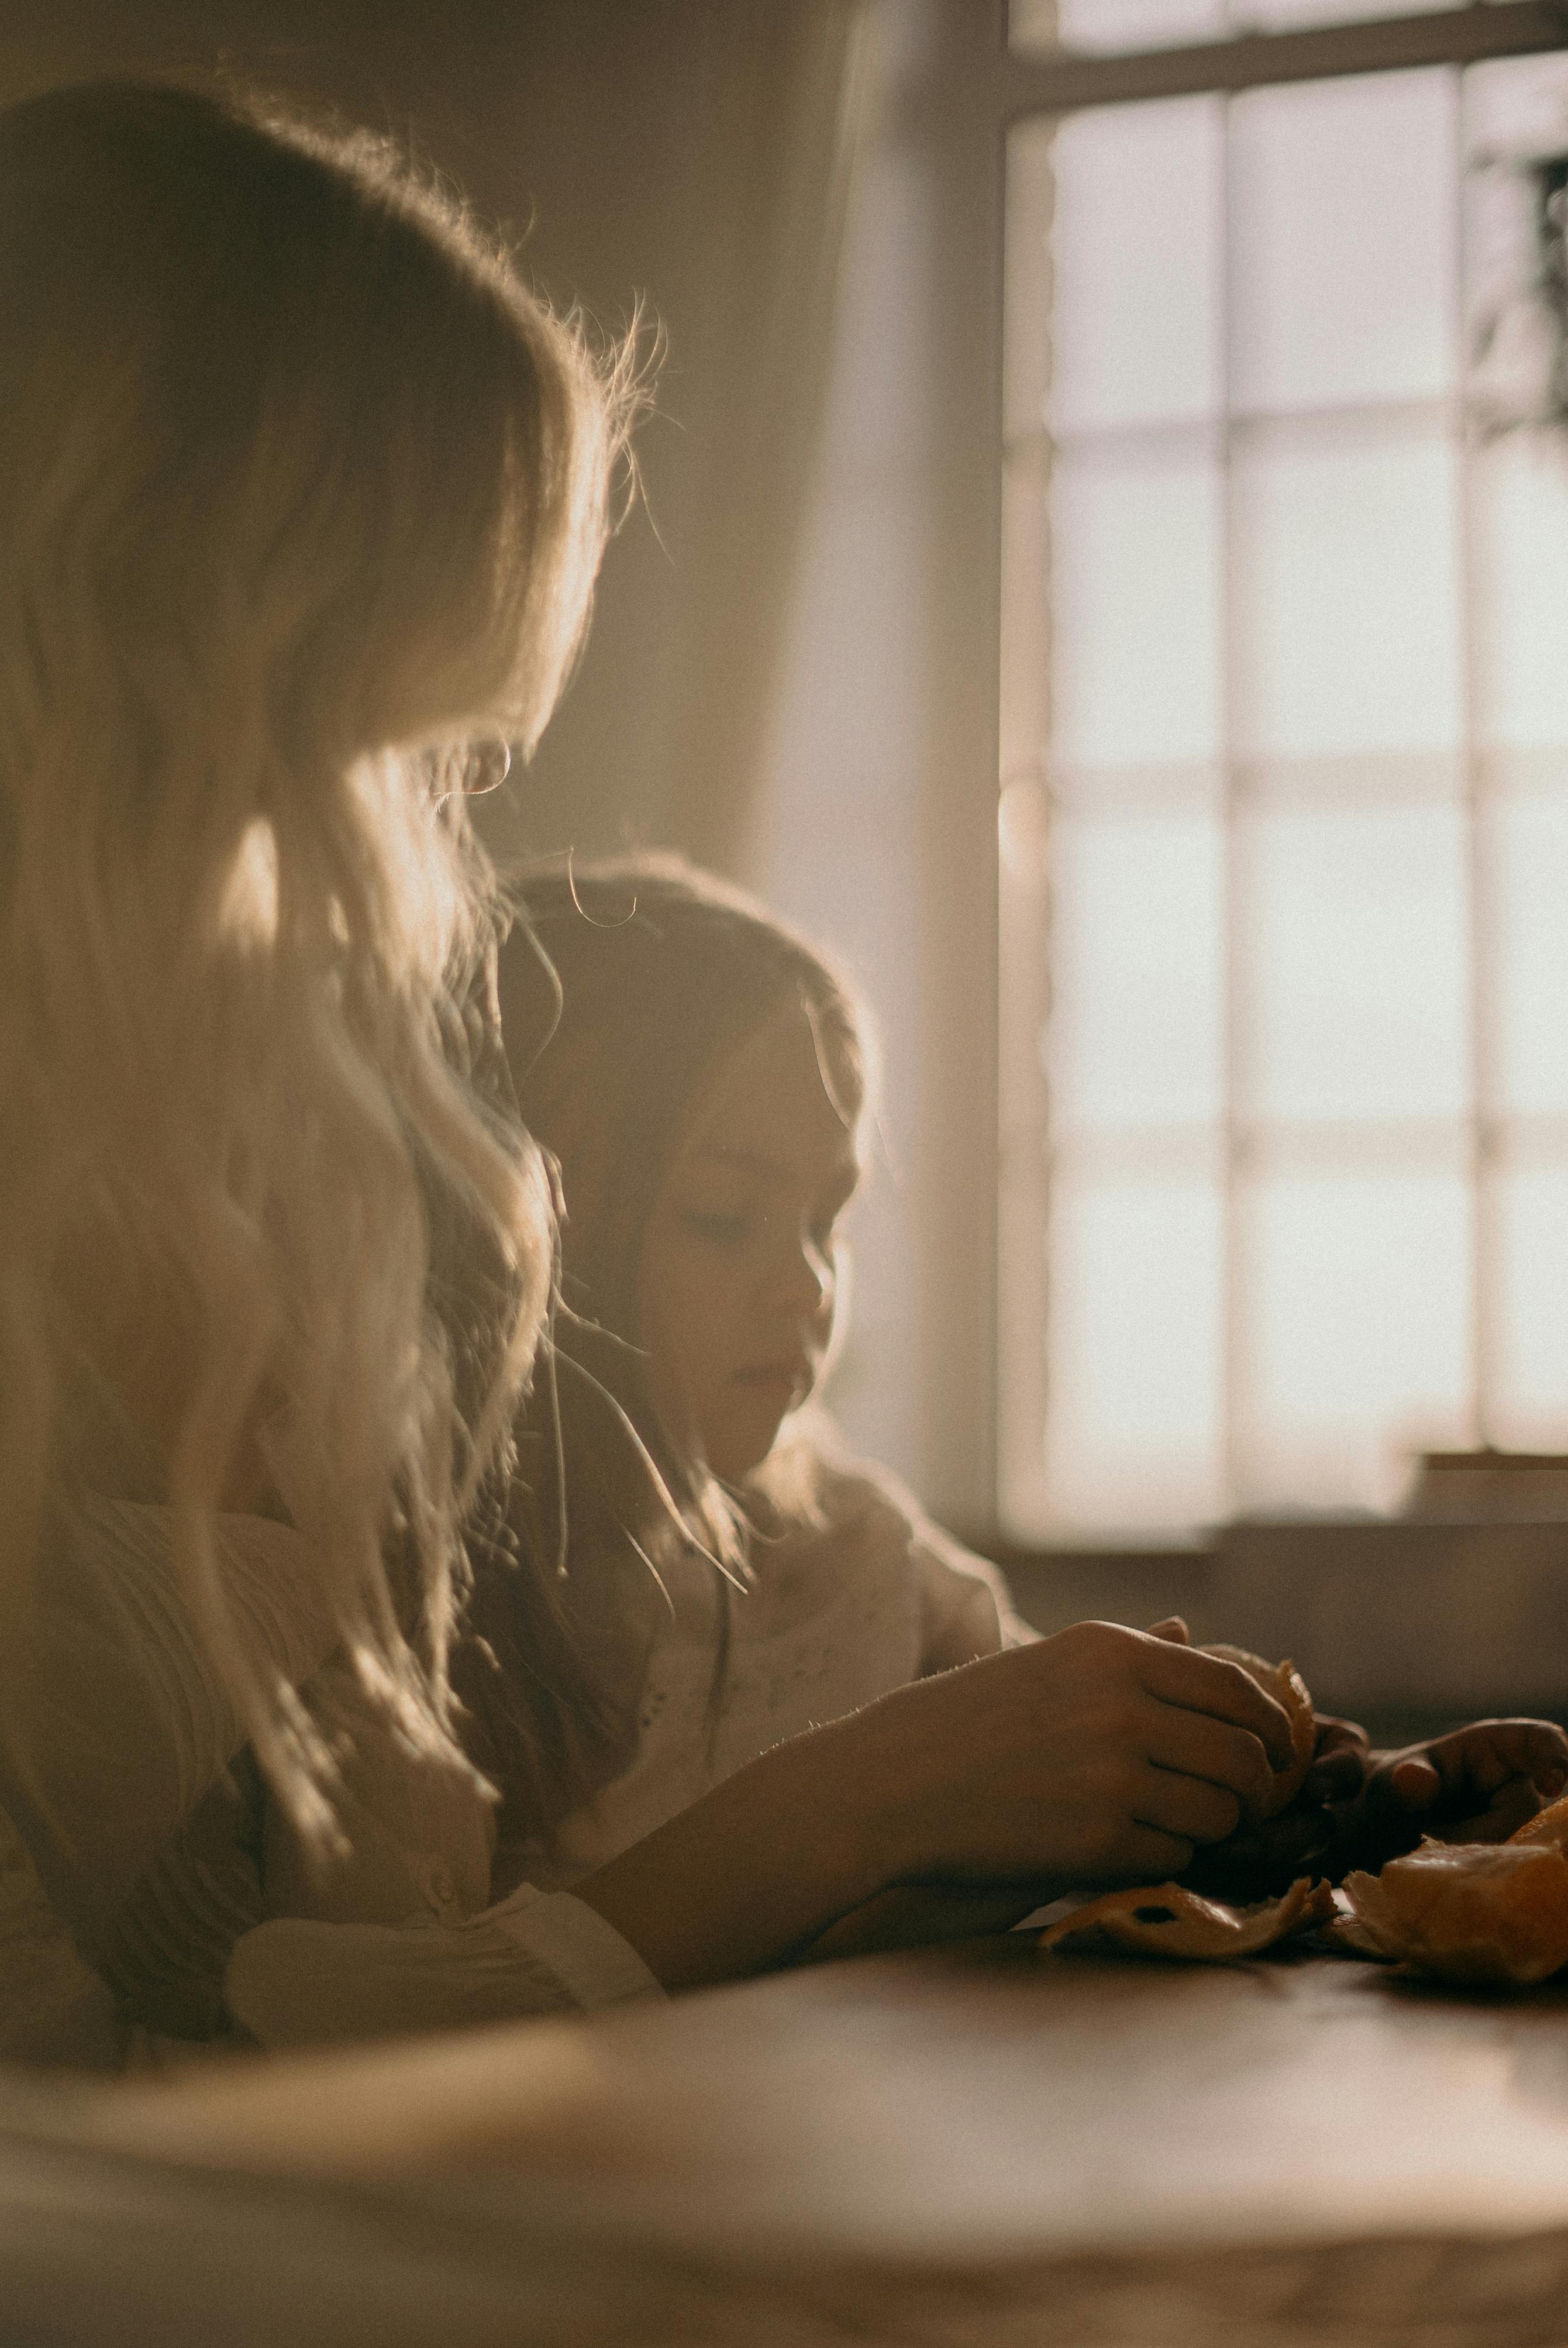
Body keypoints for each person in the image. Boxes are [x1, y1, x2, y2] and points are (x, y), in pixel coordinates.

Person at [0, 80, 1546, 2070]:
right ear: (94, 696)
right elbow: (116, 2134)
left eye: (437, 774)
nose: (410, 903)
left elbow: (295, 1995)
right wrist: (864, 1803)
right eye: (355, 755)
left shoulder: (269, 1307)